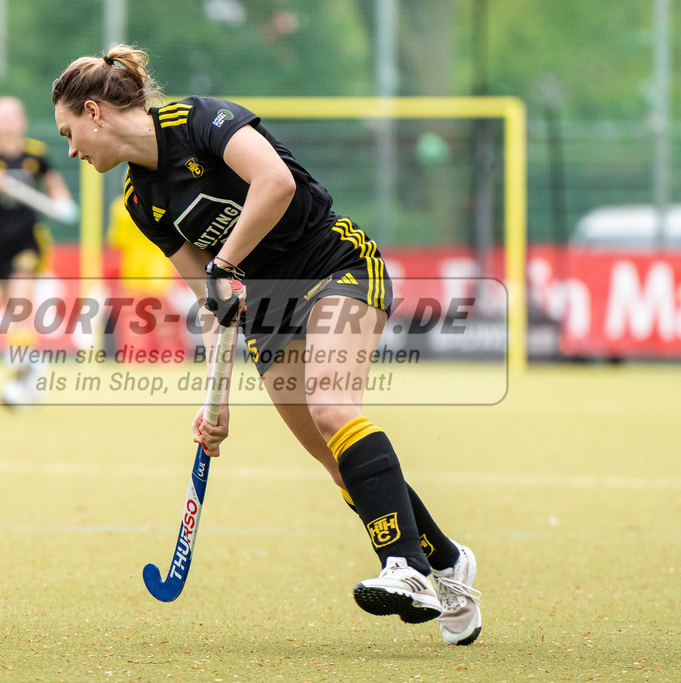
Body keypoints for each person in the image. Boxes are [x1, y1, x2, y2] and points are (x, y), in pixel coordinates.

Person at [51, 46, 482, 646]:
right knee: (333, 457)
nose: (71, 149)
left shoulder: (201, 121)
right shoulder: (140, 201)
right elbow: (208, 292)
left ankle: (404, 566)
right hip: (267, 308)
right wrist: (215, 402)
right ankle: (448, 562)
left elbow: (274, 183)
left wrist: (226, 263)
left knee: (333, 408)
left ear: (94, 112)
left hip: (335, 264)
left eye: (70, 132)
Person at [0, 95, 74, 408]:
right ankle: (33, 371)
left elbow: (56, 189)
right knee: (14, 316)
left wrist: (62, 205)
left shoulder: (35, 154)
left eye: (11, 115)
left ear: (22, 121)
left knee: (21, 309)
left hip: (28, 242)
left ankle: (18, 383)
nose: (6, 121)